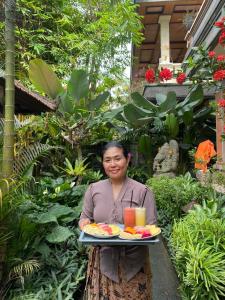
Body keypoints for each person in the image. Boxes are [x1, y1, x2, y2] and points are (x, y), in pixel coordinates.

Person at [79, 141, 157, 300]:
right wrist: (85, 224)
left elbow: (152, 226)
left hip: (135, 265)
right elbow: (84, 218)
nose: (113, 164)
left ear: (128, 159)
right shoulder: (94, 189)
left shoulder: (142, 191)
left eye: (117, 158)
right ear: (102, 163)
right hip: (103, 263)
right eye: (107, 160)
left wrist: (138, 231)